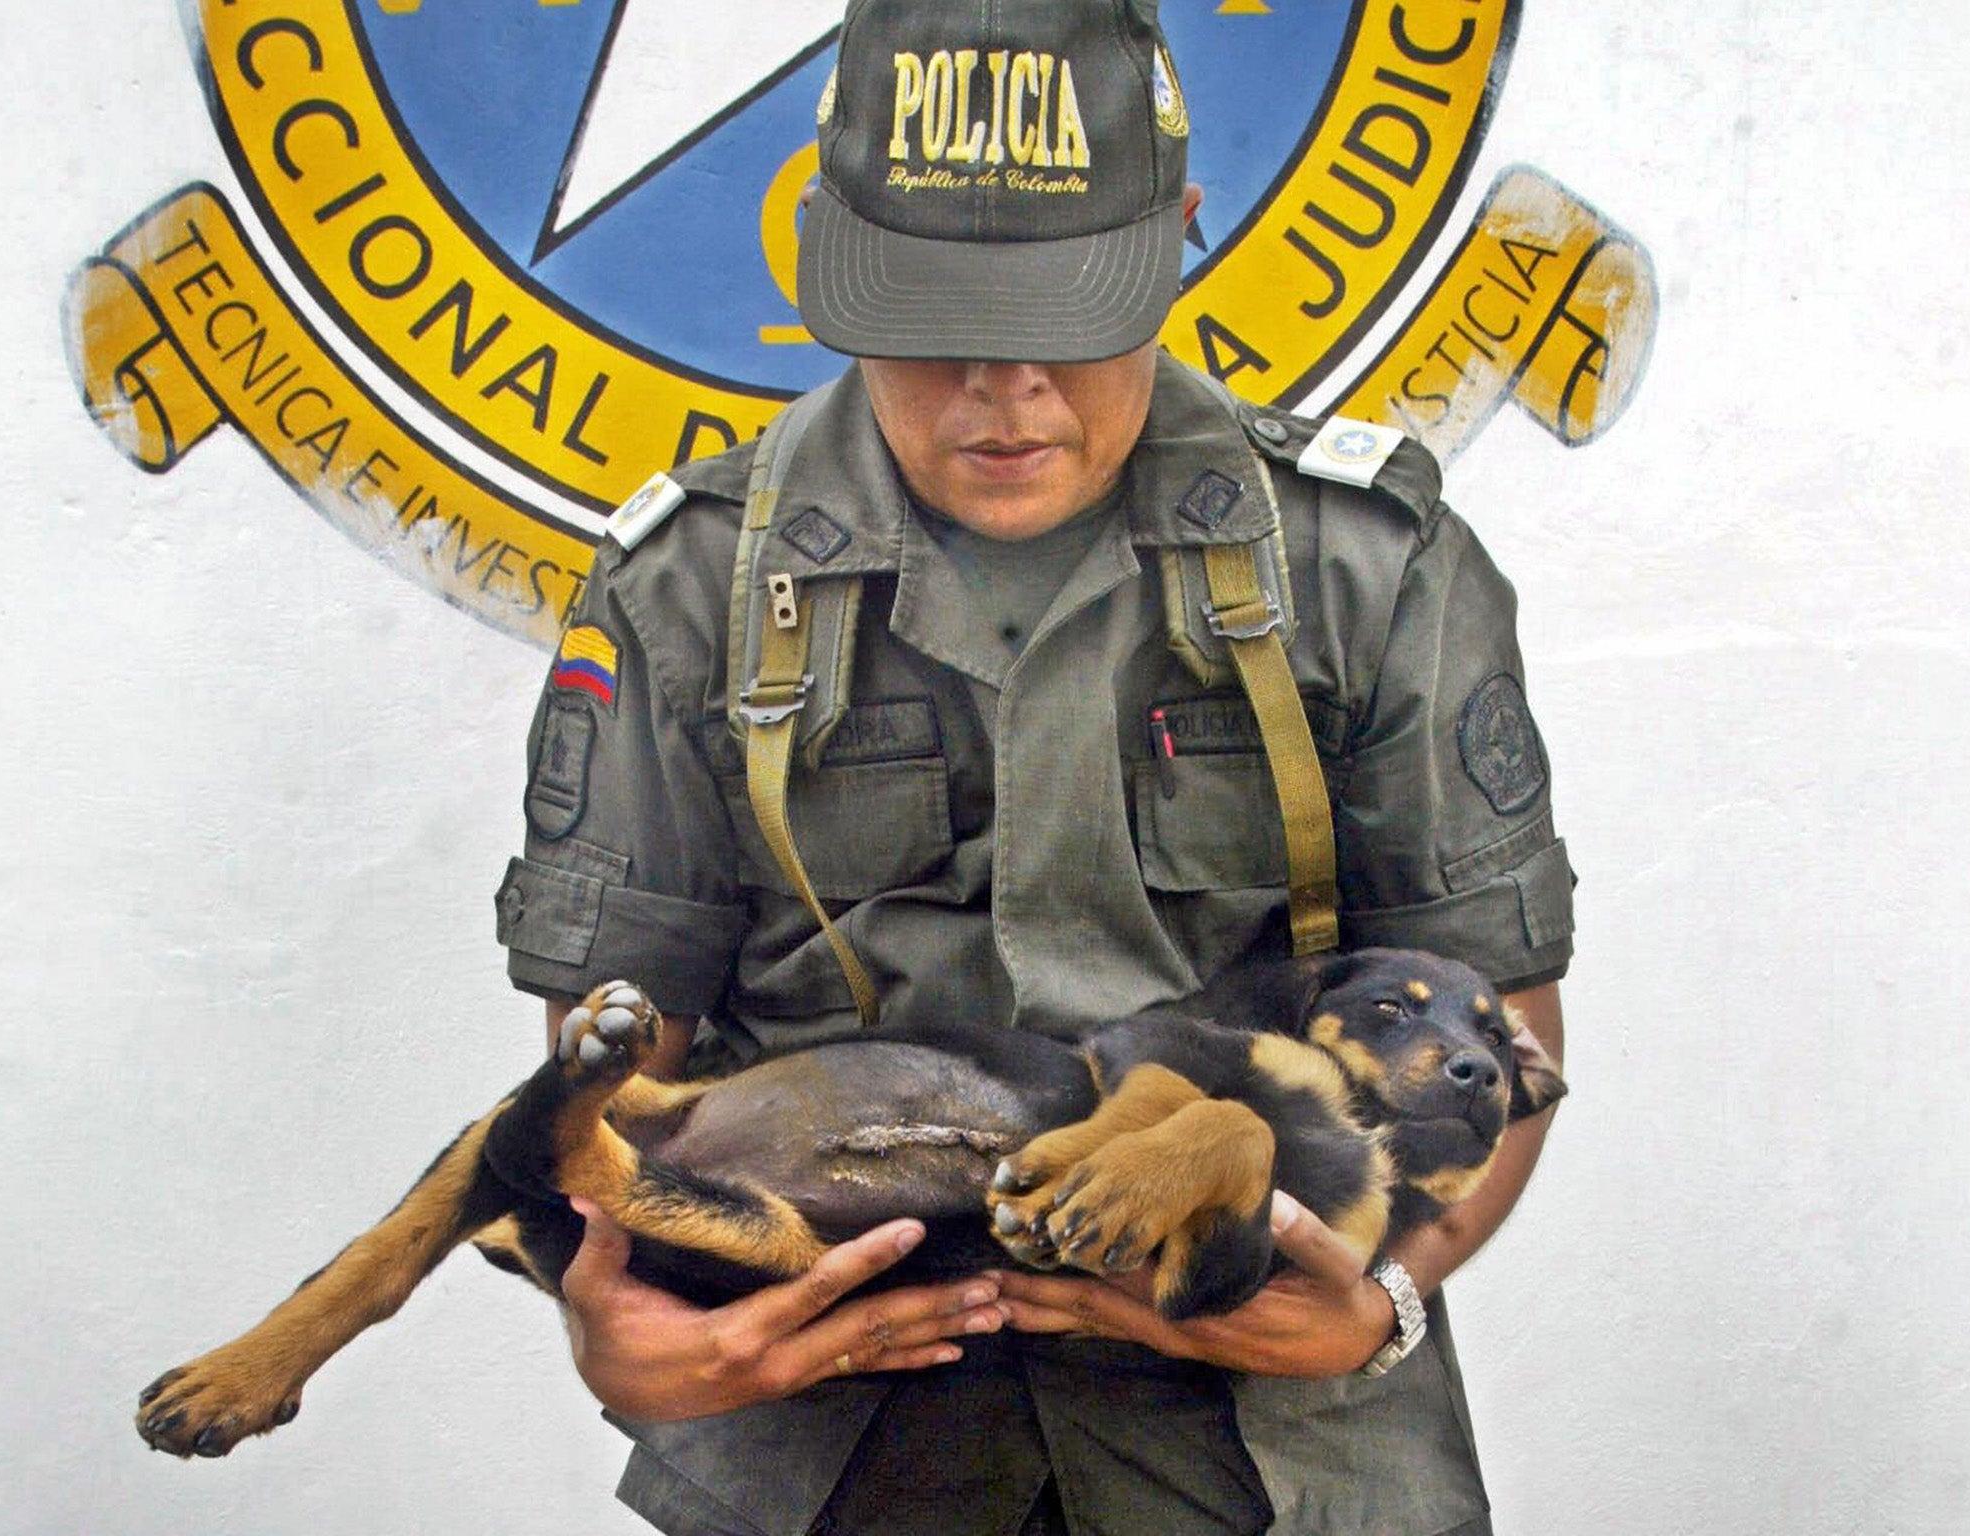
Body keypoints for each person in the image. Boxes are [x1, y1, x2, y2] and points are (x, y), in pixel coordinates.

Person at [493, 1, 1573, 1532]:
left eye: (1070, 307)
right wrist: (616, 1319)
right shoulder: (689, 590)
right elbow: (616, 1057)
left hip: (1276, 1438)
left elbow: (1494, 1014)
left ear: (1180, 238)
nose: (1007, 383)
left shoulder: (1365, 566)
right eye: (934, 312)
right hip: (829, 1423)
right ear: (822, 252)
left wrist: (1386, 1299)